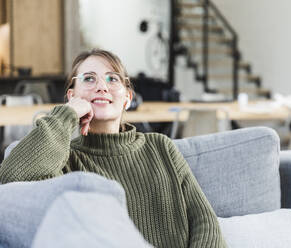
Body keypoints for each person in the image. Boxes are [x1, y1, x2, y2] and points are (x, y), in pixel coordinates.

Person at [0, 49, 227, 248]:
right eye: (89, 79)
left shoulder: (161, 146)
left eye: (113, 79)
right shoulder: (64, 158)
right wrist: (67, 114)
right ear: (72, 95)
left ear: (128, 98)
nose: (101, 86)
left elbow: (205, 221)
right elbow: (12, 179)